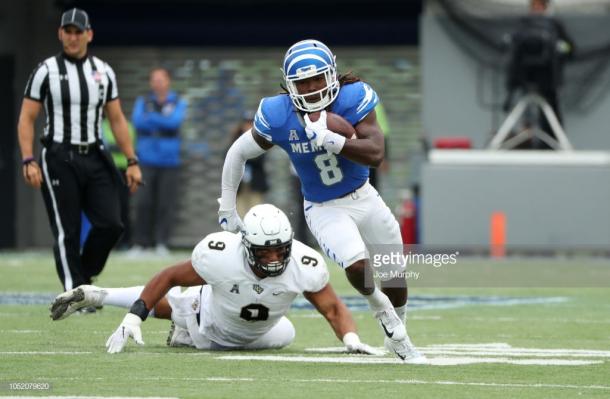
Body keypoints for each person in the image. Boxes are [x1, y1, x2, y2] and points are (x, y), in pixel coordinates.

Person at [217, 39, 424, 362]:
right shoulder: (277, 112)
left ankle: (400, 333)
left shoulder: (353, 97)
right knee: (357, 264)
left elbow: (376, 153)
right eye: (303, 82)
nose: (312, 88)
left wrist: (332, 140)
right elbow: (238, 152)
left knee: (394, 272)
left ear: (332, 76)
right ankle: (381, 311)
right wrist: (227, 207)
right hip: (323, 207)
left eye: (318, 79)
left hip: (364, 196)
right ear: (290, 85)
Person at [50, 204, 382, 357]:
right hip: (207, 317)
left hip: (259, 332)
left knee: (288, 333)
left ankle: (181, 329)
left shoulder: (304, 263)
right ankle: (97, 294)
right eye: (265, 252)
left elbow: (333, 308)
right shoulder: (221, 254)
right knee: (180, 306)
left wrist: (350, 339)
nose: (274, 258)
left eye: (280, 250)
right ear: (247, 245)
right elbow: (169, 276)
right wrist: (135, 315)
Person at [17, 8, 142, 294]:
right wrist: (28, 159)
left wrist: (132, 160)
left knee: (112, 223)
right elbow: (27, 117)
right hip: (59, 155)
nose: (73, 38)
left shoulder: (103, 71)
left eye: (78, 32)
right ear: (60, 34)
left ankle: (84, 274)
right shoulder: (45, 70)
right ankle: (76, 292)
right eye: (68, 32)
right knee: (67, 230)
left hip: (96, 155)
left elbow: (117, 118)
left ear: (89, 34)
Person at [130, 67, 187, 256]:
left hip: (170, 161)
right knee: (143, 202)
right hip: (146, 159)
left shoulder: (177, 101)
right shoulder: (143, 101)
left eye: (161, 79)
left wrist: (152, 118)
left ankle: (161, 242)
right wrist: (163, 120)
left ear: (168, 81)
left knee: (165, 203)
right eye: (154, 80)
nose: (158, 83)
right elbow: (137, 122)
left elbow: (175, 122)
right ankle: (140, 243)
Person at [504, 0, 574, 148]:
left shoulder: (555, 25)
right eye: (533, 6)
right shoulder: (522, 25)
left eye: (539, 6)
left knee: (551, 114)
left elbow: (570, 49)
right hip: (525, 78)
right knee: (526, 113)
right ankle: (525, 140)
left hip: (548, 81)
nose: (536, 10)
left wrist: (561, 50)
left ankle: (551, 144)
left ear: (546, 7)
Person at [228, 111, 269, 217]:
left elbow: (259, 158)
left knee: (256, 212)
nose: (248, 126)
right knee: (239, 211)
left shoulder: (260, 139)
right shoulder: (235, 139)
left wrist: (241, 156)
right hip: (239, 184)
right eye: (246, 123)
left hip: (255, 182)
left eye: (251, 123)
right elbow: (228, 157)